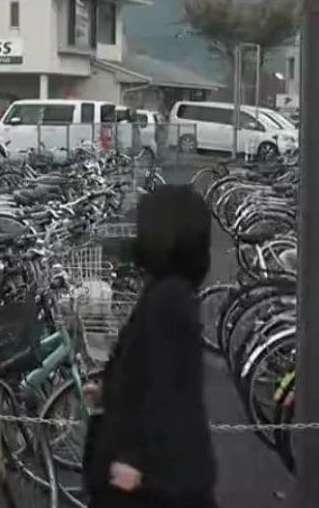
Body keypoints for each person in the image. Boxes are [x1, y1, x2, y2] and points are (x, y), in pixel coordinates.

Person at [85, 184, 217, 508]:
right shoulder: (169, 290)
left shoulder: (167, 299)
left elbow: (170, 387)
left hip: (151, 479)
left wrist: (135, 459)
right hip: (160, 474)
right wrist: (108, 389)